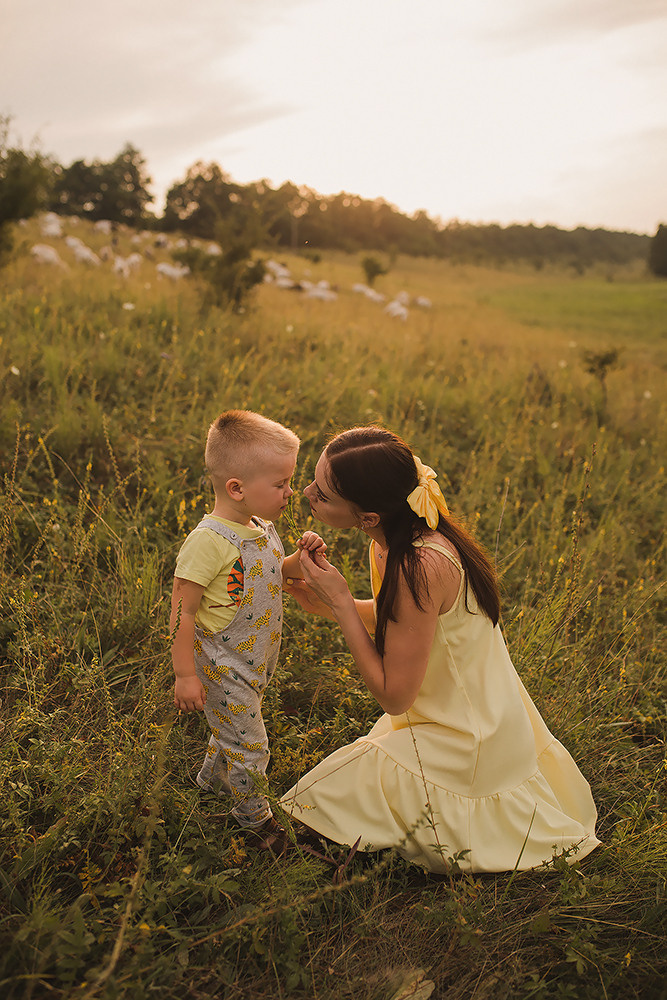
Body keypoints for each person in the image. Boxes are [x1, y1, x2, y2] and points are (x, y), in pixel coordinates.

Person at [282, 427, 600, 873]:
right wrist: (342, 607)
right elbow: (407, 619)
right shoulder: (398, 539)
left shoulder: (419, 564)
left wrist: (340, 605)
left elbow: (394, 696)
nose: (307, 494)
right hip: (463, 715)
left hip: (469, 738)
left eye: (324, 495)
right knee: (331, 791)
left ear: (368, 516)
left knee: (319, 797)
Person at [170, 409, 324, 850]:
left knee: (234, 731)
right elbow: (182, 611)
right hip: (222, 664)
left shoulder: (262, 528)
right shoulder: (208, 542)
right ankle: (255, 825)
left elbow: (276, 571)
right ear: (236, 488)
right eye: (280, 484)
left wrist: (304, 558)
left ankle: (210, 782)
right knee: (251, 746)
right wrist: (185, 674)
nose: (290, 493)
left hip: (253, 659)